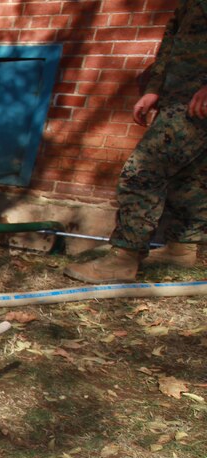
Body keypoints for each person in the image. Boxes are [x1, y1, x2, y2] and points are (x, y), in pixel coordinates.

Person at [65, 0, 205, 283]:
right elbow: (173, 35)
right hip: (180, 94)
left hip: (198, 96)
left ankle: (124, 258)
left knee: (142, 171)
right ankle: (183, 248)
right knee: (191, 175)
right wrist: (155, 88)